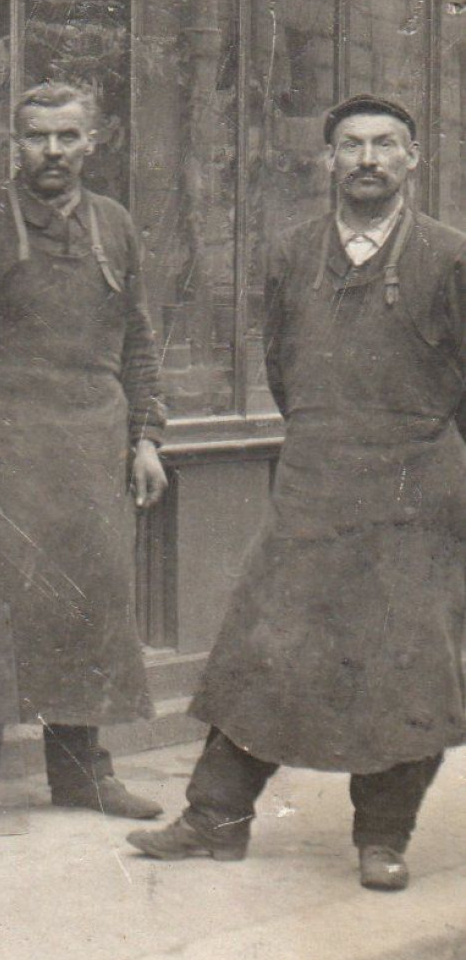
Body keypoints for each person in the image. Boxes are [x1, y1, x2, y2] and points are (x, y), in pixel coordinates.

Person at [129, 95, 466, 890]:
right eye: (350, 145)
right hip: (312, 486)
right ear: (326, 161)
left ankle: (381, 836)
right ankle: (214, 817)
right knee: (261, 652)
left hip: (414, 493)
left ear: (413, 160)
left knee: (403, 669)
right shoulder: (288, 253)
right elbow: (283, 371)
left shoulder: (450, 259)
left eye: (386, 144)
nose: (367, 159)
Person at [0, 81, 170, 835]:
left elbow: (139, 343)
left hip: (93, 453)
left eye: (66, 136)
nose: (50, 152)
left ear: (93, 142)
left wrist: (146, 438)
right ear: (12, 144)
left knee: (89, 610)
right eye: (35, 137)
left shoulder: (114, 226)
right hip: (2, 454)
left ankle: (83, 774)